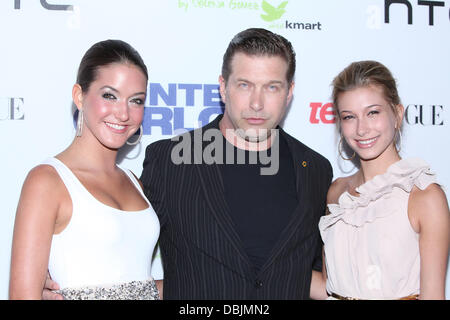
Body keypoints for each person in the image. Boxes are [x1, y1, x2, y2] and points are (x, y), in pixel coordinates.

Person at [139, 28, 333, 299]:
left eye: (272, 87)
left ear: (289, 92)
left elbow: (320, 275)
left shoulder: (315, 170)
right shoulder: (168, 161)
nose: (257, 103)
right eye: (245, 85)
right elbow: (121, 247)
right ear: (222, 87)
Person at [9, 40, 160, 300]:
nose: (123, 113)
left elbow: (139, 286)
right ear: (79, 96)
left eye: (136, 100)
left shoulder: (135, 183)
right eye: (109, 95)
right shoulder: (47, 181)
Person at [316, 60, 450, 299]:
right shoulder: (337, 193)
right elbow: (329, 286)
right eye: (349, 117)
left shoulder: (423, 196)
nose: (361, 129)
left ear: (397, 114)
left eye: (373, 113)